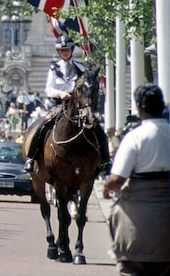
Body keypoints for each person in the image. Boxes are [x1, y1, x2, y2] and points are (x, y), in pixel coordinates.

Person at [103, 84, 170, 276]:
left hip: (138, 222)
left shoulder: (134, 137)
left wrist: (108, 188)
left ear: (140, 108)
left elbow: (117, 178)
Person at [24, 35, 110, 174]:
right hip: (60, 105)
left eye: (67, 49)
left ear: (71, 50)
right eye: (62, 50)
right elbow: (48, 89)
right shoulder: (54, 68)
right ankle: (31, 158)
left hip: (79, 105)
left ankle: (105, 160)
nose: (65, 52)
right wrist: (60, 94)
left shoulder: (81, 67)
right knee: (41, 126)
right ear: (59, 52)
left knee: (97, 128)